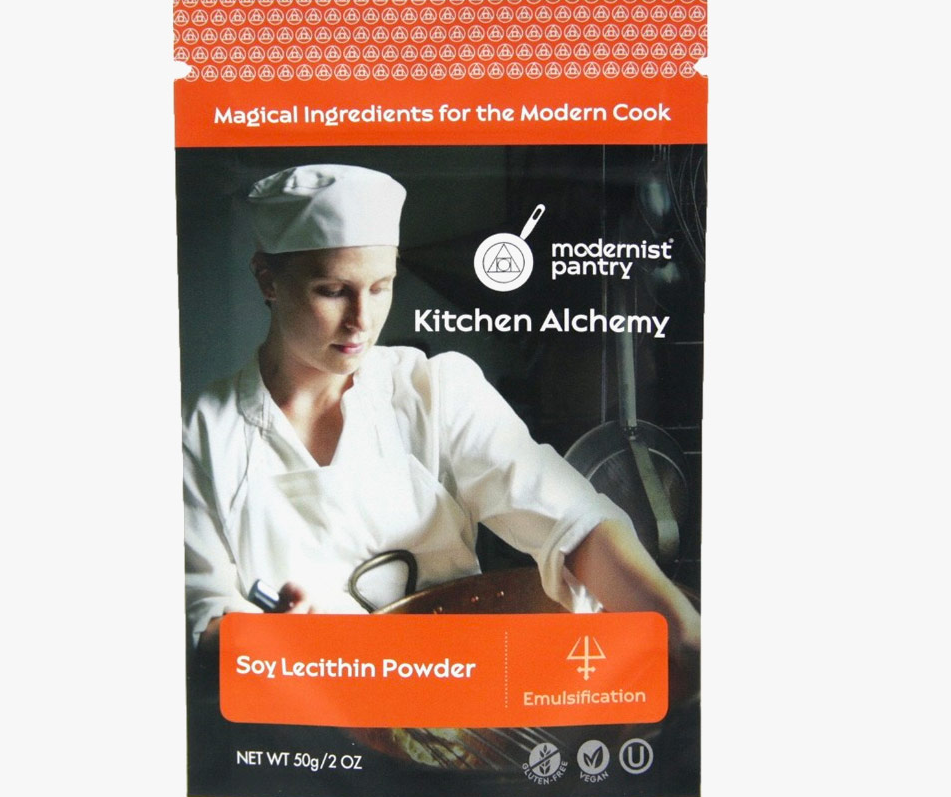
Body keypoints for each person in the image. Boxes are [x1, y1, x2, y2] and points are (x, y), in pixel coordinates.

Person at [183, 164, 700, 680]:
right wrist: (271, 641)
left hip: (454, 685)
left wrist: (682, 631)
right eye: (333, 290)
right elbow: (202, 614)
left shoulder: (435, 391)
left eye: (381, 287)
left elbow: (575, 524)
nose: (362, 320)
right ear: (268, 279)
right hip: (300, 707)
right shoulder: (201, 432)